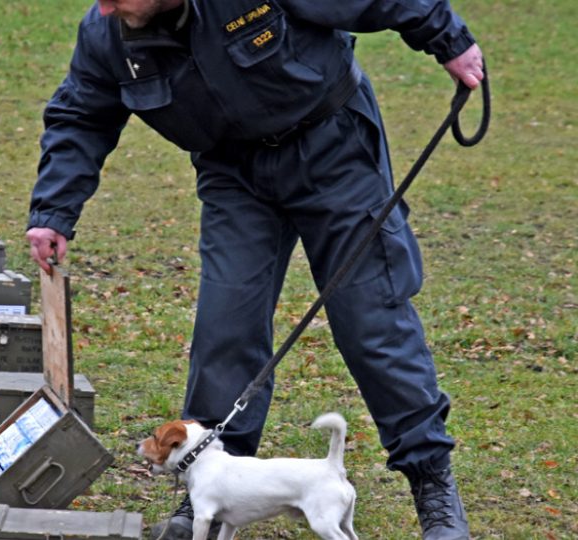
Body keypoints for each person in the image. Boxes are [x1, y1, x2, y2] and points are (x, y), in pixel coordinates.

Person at [25, 0, 485, 538]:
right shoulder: (106, 34)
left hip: (332, 148)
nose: (106, 5)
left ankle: (432, 483)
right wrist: (54, 210)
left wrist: (445, 36)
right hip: (233, 174)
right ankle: (215, 490)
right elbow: (82, 113)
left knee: (372, 323)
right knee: (226, 325)